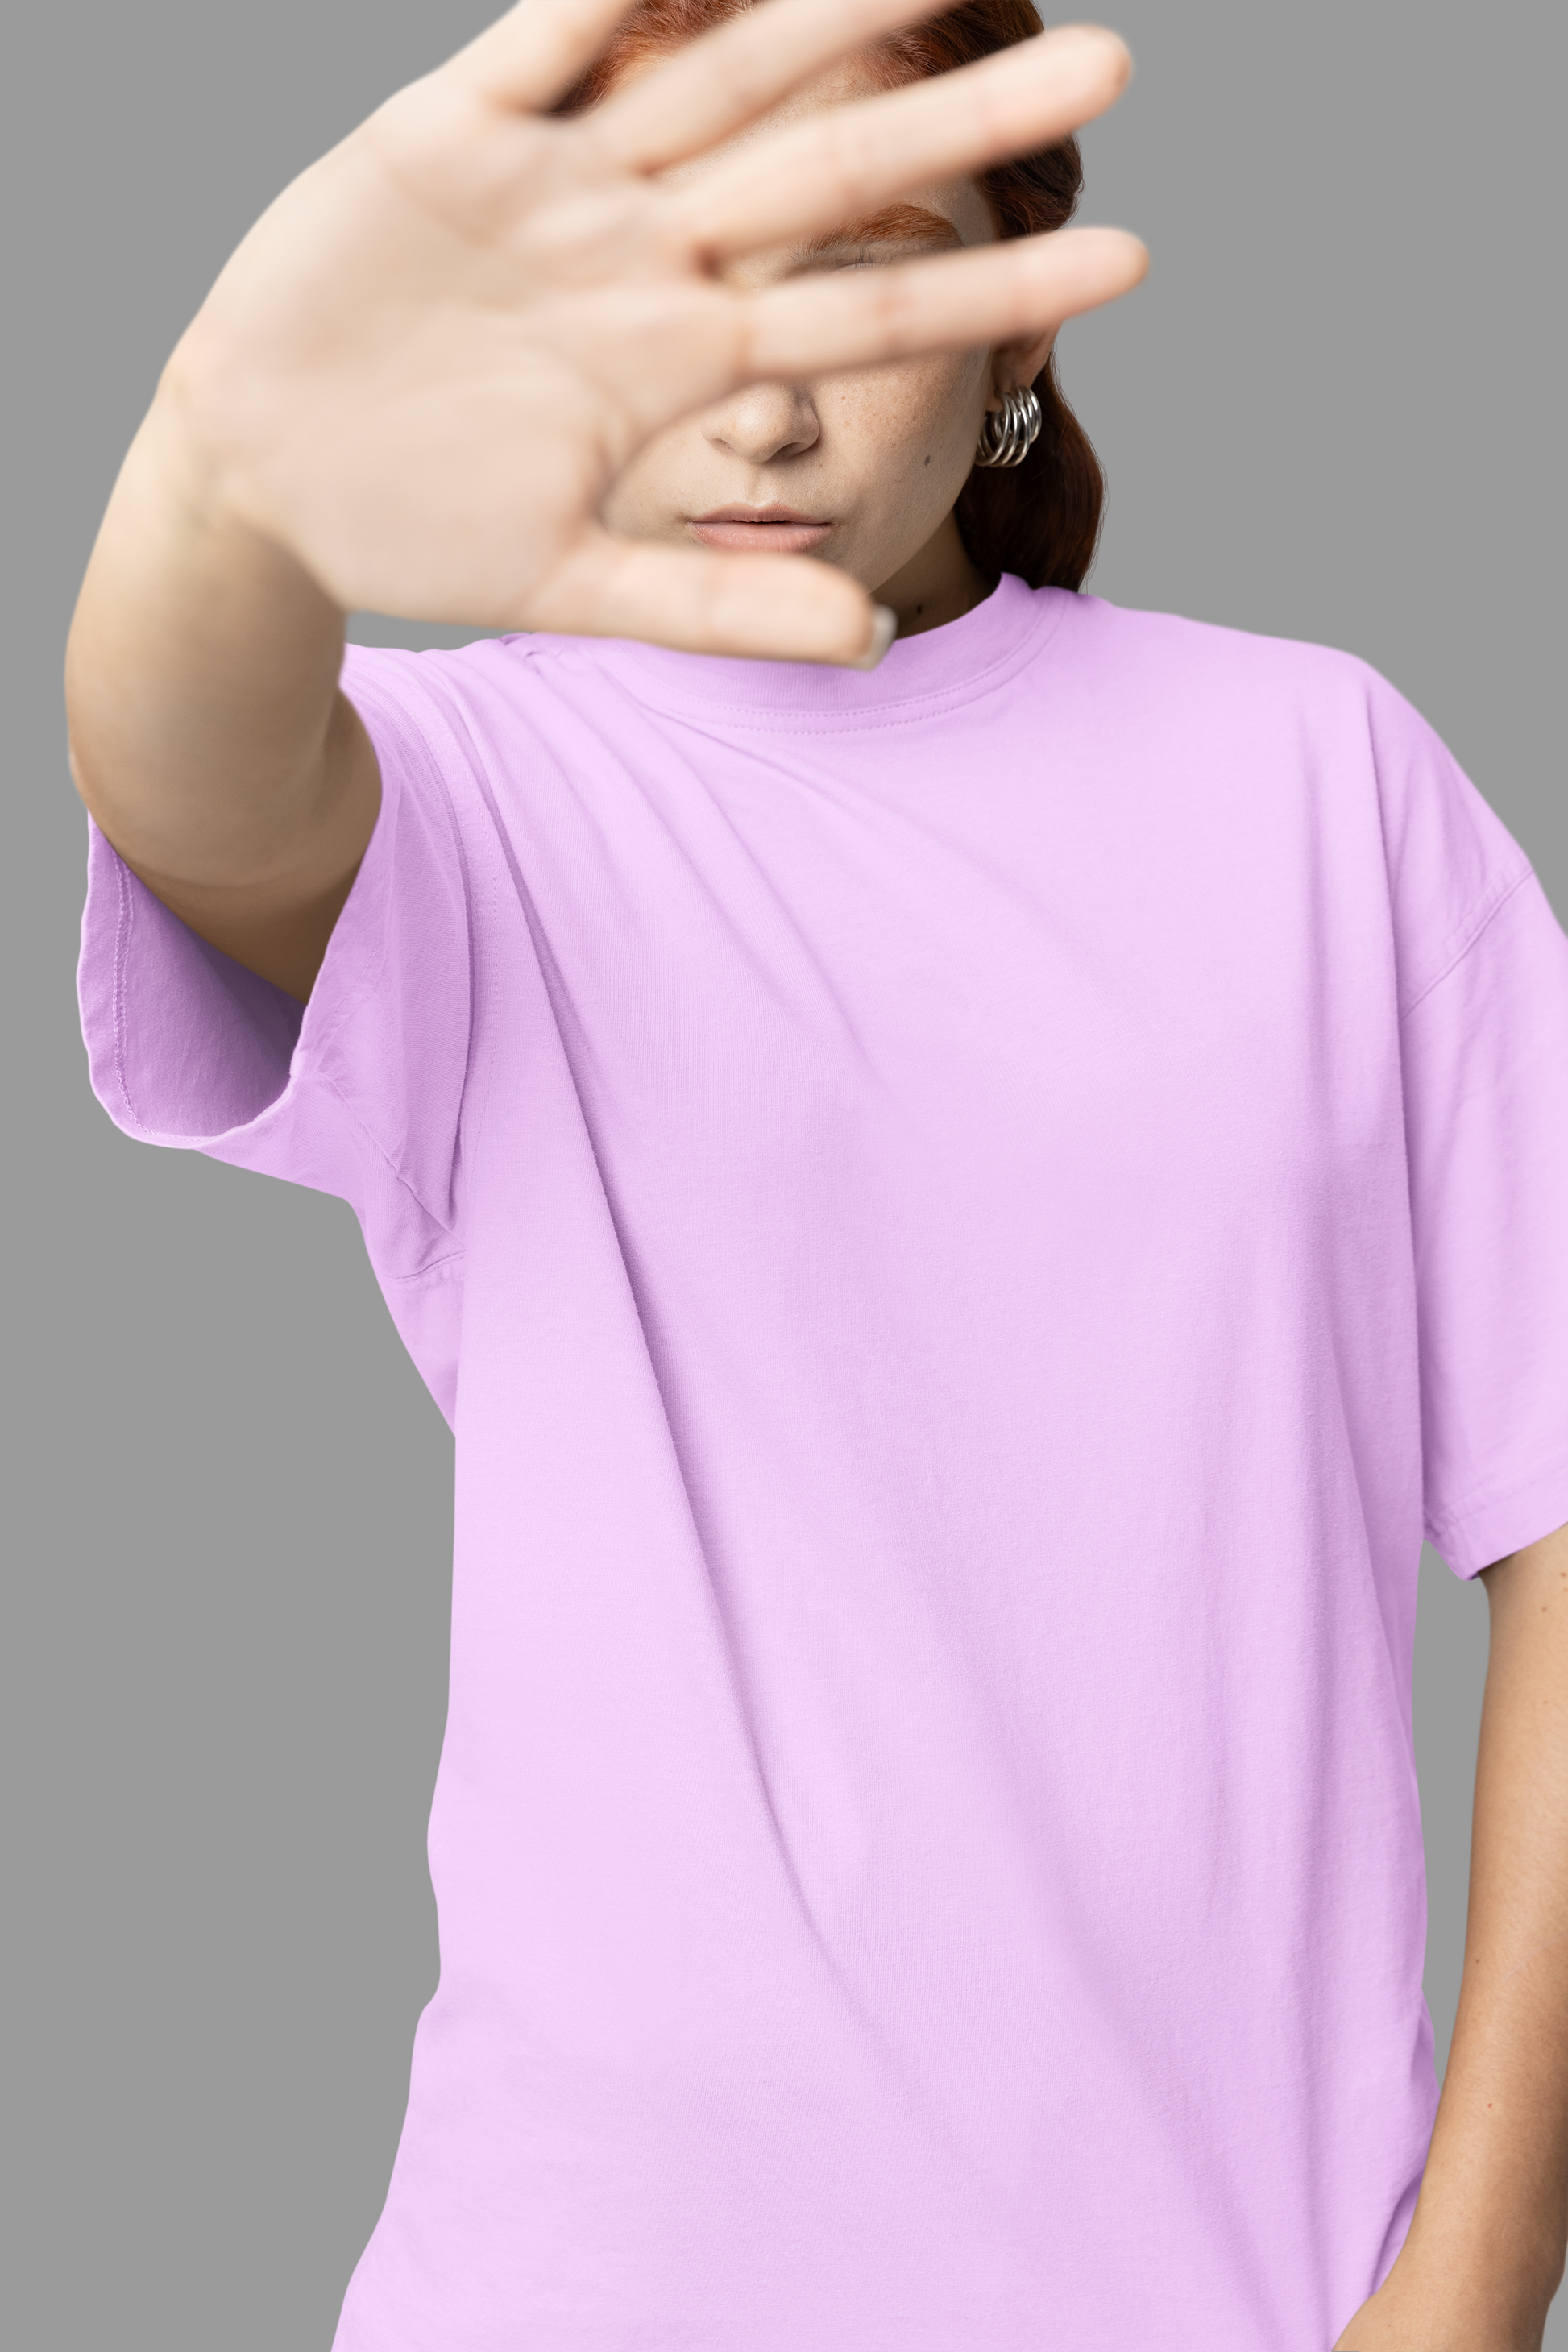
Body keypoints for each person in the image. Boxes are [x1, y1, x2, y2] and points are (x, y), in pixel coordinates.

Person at [63, 0, 1568, 2346]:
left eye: (860, 281)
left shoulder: (1324, 781)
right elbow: (189, 776)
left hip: (1251, 2290)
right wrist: (219, 462)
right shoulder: (472, 795)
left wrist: (1473, 2286)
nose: (761, 404)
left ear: (1014, 329)